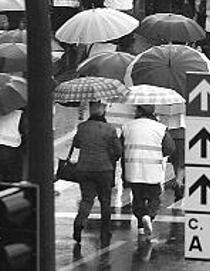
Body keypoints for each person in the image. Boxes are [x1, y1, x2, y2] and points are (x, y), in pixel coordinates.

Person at [71, 101, 121, 248]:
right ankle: (105, 231)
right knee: (105, 201)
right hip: (104, 169)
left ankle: (79, 223)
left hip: (84, 168)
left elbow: (77, 144)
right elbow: (118, 151)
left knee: (87, 199)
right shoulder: (109, 129)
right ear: (103, 111)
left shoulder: (82, 127)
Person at [121, 104, 175, 240]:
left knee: (137, 198)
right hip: (152, 170)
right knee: (154, 198)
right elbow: (169, 148)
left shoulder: (128, 126)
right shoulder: (160, 128)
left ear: (139, 111)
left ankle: (141, 224)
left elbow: (119, 147)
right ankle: (149, 217)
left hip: (133, 169)